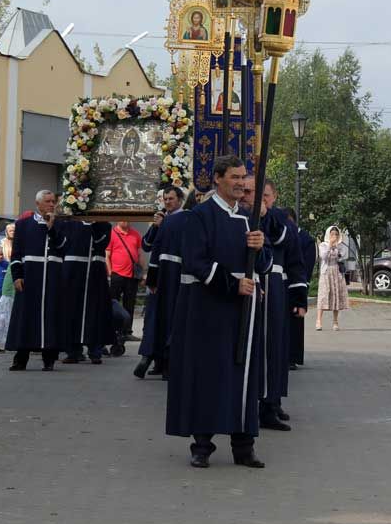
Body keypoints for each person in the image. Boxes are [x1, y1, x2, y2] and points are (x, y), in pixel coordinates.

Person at [166, 154, 271, 469]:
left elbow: (261, 266)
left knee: (243, 375)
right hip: (209, 306)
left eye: (244, 177)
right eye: (235, 177)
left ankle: (244, 446)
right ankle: (202, 445)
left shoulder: (250, 217)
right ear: (218, 179)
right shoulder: (200, 215)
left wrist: (259, 245)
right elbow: (195, 261)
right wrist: (231, 284)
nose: (241, 183)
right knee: (210, 373)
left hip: (244, 309)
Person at [257, 180, 308, 430]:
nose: (261, 199)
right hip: (254, 284)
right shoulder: (246, 215)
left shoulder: (280, 220)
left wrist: (299, 297)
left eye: (265, 195)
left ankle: (272, 402)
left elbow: (295, 260)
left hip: (276, 287)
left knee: (275, 348)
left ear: (274, 196)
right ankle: (259, 403)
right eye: (258, 195)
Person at [5, 190, 67, 371]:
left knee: (49, 318)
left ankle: (49, 359)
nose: (51, 205)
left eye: (53, 202)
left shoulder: (60, 224)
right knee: (26, 317)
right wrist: (17, 276)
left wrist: (52, 228)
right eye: (47, 201)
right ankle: (20, 358)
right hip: (30, 277)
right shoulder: (23, 225)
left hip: (51, 278)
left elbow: (63, 246)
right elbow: (16, 254)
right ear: (38, 204)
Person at [136, 189, 195, 379]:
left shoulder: (184, 218)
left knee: (169, 317)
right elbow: (148, 246)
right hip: (160, 276)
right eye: (165, 199)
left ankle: (163, 360)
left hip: (174, 275)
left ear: (181, 200)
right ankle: (156, 360)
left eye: (171, 199)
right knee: (155, 318)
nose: (168, 202)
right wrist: (155, 227)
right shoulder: (163, 220)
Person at [61, 221, 114, 364]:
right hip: (73, 273)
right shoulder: (70, 224)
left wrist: (95, 222)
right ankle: (73, 351)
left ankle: (95, 350)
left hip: (94, 274)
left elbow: (100, 242)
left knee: (95, 312)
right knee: (72, 311)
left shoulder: (104, 225)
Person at [106, 220, 145, 342]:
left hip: (132, 275)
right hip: (116, 274)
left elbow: (140, 255)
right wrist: (110, 273)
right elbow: (107, 255)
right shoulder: (112, 233)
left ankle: (127, 331)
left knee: (130, 303)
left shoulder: (136, 234)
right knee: (114, 303)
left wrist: (143, 273)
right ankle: (113, 331)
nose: (126, 221)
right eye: (123, 218)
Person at [287, 210, 315, 370]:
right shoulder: (285, 235)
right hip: (284, 283)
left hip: (298, 284)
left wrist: (301, 283)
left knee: (296, 320)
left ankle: (293, 356)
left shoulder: (306, 239)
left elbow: (307, 265)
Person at [316, 226, 349, 331]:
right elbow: (323, 256)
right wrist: (330, 245)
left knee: (336, 296)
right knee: (323, 295)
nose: (334, 236)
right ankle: (319, 321)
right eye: (332, 234)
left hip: (337, 272)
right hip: (326, 272)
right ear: (328, 235)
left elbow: (343, 256)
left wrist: (337, 248)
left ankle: (335, 322)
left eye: (336, 234)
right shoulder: (323, 245)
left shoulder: (340, 246)